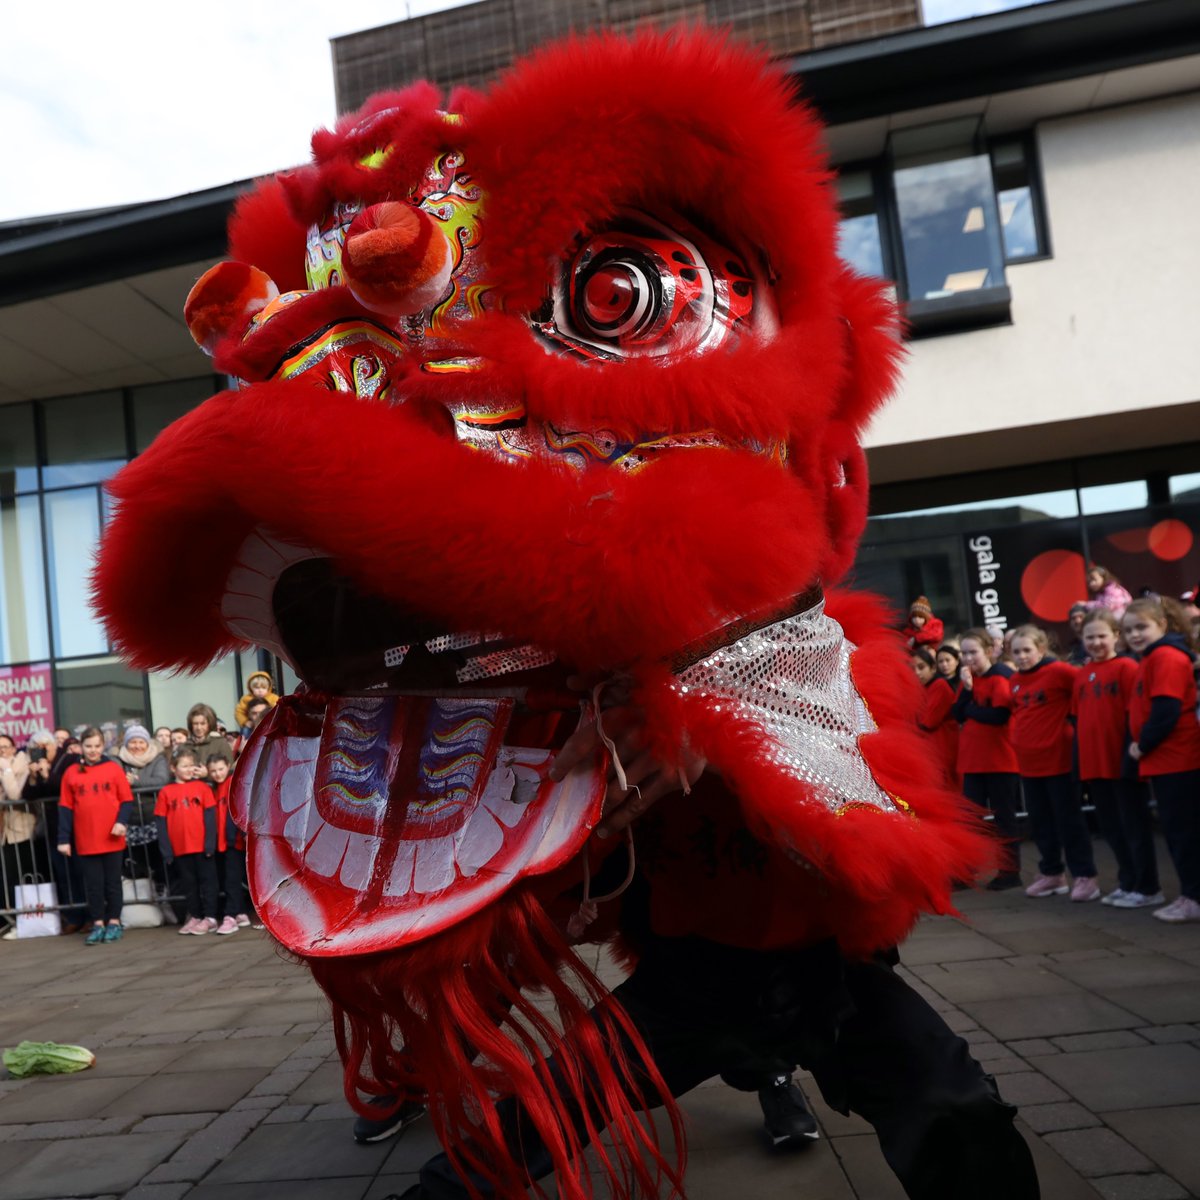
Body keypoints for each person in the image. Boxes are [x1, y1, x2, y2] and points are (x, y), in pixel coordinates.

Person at [1072, 610, 1161, 908]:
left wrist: (1129, 758)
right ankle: (1128, 881)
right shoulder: (1083, 674)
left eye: (1101, 635)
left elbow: (1132, 715)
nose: (1096, 642)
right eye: (1090, 637)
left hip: (1121, 762)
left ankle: (1148, 886)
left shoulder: (1126, 667)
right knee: (1111, 828)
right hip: (1095, 765)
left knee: (1134, 827)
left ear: (1115, 636)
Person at [1124, 597, 1200, 923]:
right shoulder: (1152, 657)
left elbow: (1166, 709)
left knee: (1184, 832)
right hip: (1168, 759)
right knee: (1179, 830)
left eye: (1142, 627)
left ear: (1162, 625)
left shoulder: (1166, 657)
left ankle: (1193, 896)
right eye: (1129, 630)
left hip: (1177, 758)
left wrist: (1143, 744)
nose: (1135, 634)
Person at [1008, 625, 1098, 901]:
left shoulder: (1060, 672)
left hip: (1059, 761)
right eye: (1016, 651)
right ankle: (1052, 874)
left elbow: (1086, 689)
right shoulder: (1014, 680)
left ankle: (1085, 876)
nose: (1022, 656)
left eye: (1027, 650)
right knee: (1040, 822)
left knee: (1069, 821)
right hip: (1029, 763)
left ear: (1041, 649)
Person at [954, 629, 1022, 890]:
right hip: (973, 760)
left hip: (999, 760)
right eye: (965, 653)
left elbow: (998, 715)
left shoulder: (1000, 676)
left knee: (1005, 818)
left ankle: (1009, 872)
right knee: (971, 819)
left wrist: (972, 708)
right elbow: (957, 713)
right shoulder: (968, 679)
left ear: (987, 652)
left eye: (973, 652)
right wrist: (968, 693)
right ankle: (967, 871)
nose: (968, 658)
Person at [56, 727, 135, 945]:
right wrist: (63, 839)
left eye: (97, 746)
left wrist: (121, 821)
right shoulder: (72, 772)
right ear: (81, 746)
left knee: (112, 884)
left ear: (103, 746)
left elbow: (126, 800)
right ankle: (98, 922)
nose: (92, 750)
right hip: (86, 838)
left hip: (112, 836)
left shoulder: (113, 768)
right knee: (93, 885)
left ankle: (114, 921)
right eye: (88, 746)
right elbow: (65, 807)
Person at [155, 749, 219, 935]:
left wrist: (209, 844)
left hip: (202, 847)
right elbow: (161, 822)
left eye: (192, 765)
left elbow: (210, 818)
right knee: (189, 885)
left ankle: (211, 917)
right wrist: (167, 851)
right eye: (184, 766)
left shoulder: (203, 787)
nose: (189, 769)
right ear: (173, 768)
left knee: (208, 883)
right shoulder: (166, 792)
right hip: (180, 849)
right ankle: (196, 916)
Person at [206, 754, 249, 933]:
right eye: (213, 771)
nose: (217, 774)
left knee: (232, 879)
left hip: (235, 840)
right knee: (231, 879)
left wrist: (244, 832)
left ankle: (230, 915)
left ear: (228, 767)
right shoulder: (215, 788)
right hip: (224, 841)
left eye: (220, 769)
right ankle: (239, 912)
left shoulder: (233, 782)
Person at [911, 647, 959, 791]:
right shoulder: (921, 688)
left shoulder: (940, 686)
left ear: (933, 668)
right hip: (931, 750)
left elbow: (927, 721)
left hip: (942, 750)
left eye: (921, 667)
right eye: (912, 669)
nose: (917, 673)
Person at [184, 703, 234, 779]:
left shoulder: (220, 742)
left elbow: (229, 771)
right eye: (195, 724)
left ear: (209, 724)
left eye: (203, 723)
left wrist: (208, 774)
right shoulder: (185, 745)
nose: (199, 727)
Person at [117, 724, 170, 790]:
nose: (137, 746)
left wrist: (136, 781)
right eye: (133, 742)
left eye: (141, 742)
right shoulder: (118, 759)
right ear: (126, 744)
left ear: (147, 744)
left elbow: (161, 780)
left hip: (152, 799)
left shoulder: (158, 759)